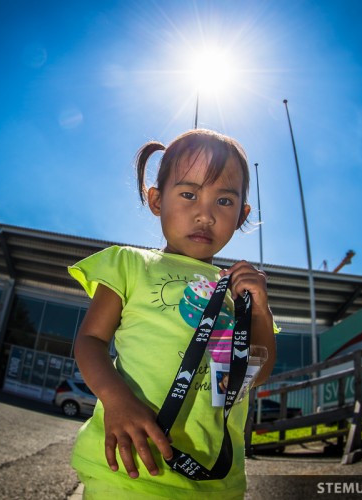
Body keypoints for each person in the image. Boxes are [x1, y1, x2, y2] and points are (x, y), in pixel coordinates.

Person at [68, 129, 278, 499]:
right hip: (126, 471)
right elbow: (90, 341)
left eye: (224, 201)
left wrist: (260, 309)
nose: (205, 214)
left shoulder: (240, 293)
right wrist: (118, 401)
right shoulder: (130, 263)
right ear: (155, 199)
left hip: (214, 483)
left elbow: (255, 374)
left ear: (243, 214)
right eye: (188, 194)